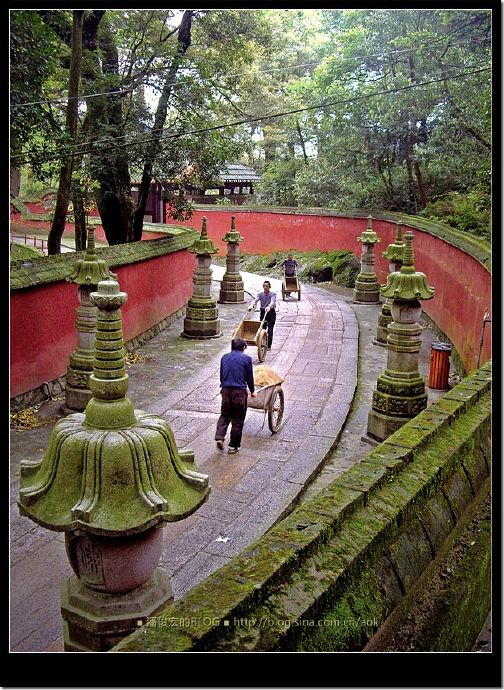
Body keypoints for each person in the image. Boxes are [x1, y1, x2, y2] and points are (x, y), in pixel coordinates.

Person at [215, 337, 256, 454]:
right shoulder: (246, 359)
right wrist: (252, 391)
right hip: (239, 393)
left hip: (226, 390)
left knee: (225, 415)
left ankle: (219, 437)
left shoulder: (224, 357)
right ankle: (233, 446)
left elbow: (222, 375)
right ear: (243, 348)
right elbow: (249, 378)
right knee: (238, 419)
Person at [249, 280, 277, 350]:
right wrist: (251, 305)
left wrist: (269, 307)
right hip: (263, 312)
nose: (265, 287)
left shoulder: (273, 294)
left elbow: (273, 301)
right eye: (264, 286)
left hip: (271, 312)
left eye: (267, 286)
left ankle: (269, 346)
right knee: (262, 328)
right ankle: (262, 343)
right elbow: (255, 300)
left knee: (270, 330)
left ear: (269, 287)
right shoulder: (260, 294)